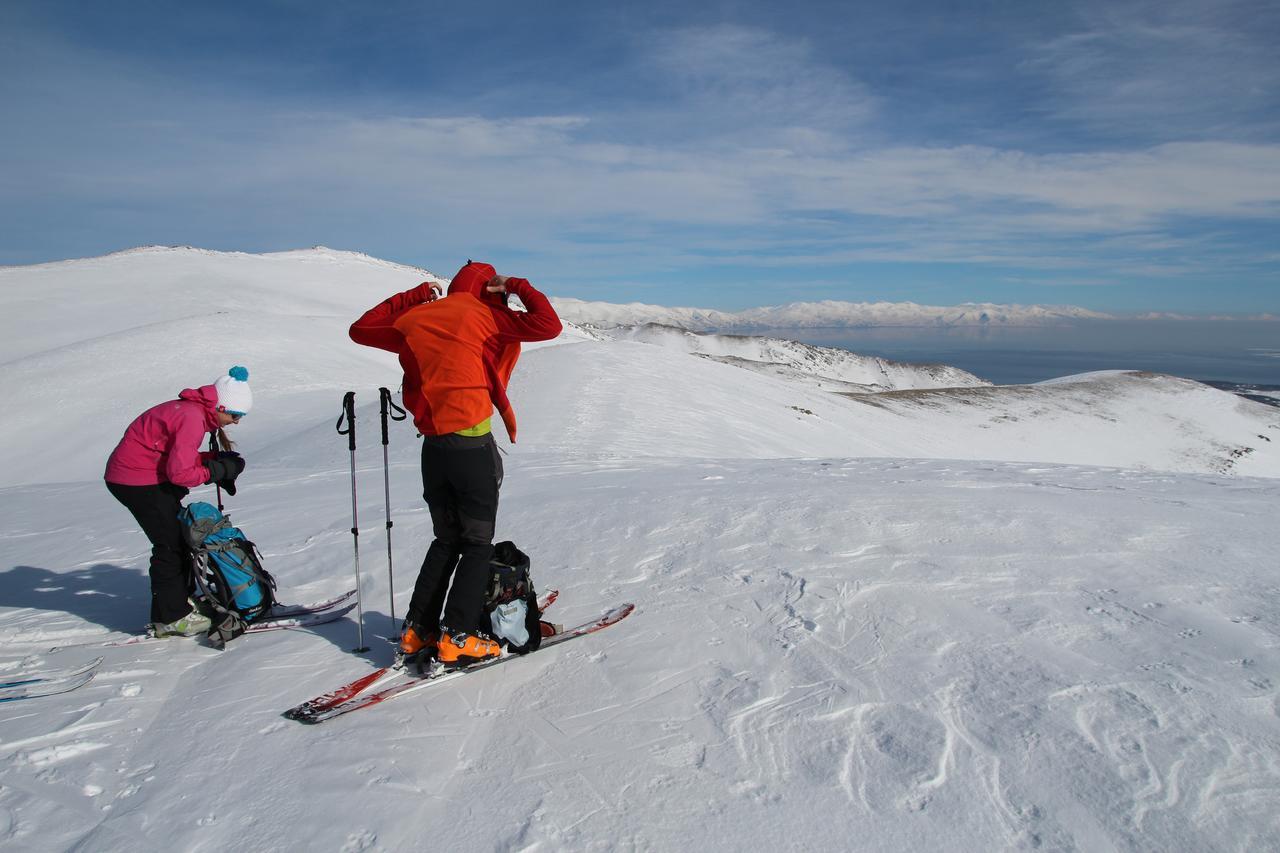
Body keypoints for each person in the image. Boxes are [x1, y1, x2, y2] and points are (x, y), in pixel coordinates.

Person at [349, 260, 562, 667]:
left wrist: (413, 296)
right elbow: (548, 325)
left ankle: (418, 630)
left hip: (434, 448)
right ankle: (458, 637)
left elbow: (360, 329)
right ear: (489, 289)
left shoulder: (415, 318)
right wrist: (516, 285)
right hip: (471, 447)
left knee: (446, 540)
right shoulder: (487, 316)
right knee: (477, 544)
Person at [104, 366, 251, 637]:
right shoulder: (192, 419)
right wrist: (215, 471)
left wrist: (211, 462)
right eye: (235, 414)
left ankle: (179, 602)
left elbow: (171, 455)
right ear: (219, 406)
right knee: (170, 544)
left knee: (179, 539)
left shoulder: (191, 411)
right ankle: (171, 617)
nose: (236, 421)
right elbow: (180, 473)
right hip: (136, 481)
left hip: (143, 476)